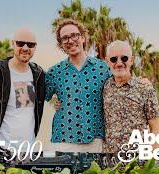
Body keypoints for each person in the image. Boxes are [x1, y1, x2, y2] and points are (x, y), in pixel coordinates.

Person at [45, 19, 111, 152]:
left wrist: (140, 81)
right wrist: (54, 102)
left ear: (82, 37)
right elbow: (41, 97)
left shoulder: (103, 68)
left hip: (95, 140)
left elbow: (118, 89)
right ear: (61, 44)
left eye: (74, 35)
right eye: (64, 38)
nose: (70, 40)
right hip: (63, 140)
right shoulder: (54, 72)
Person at [102, 40, 159, 153]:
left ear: (132, 60)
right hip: (111, 163)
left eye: (124, 58)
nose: (119, 63)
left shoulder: (145, 88)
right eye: (114, 59)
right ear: (107, 62)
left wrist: (151, 157)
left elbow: (155, 127)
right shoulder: (105, 87)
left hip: (138, 161)